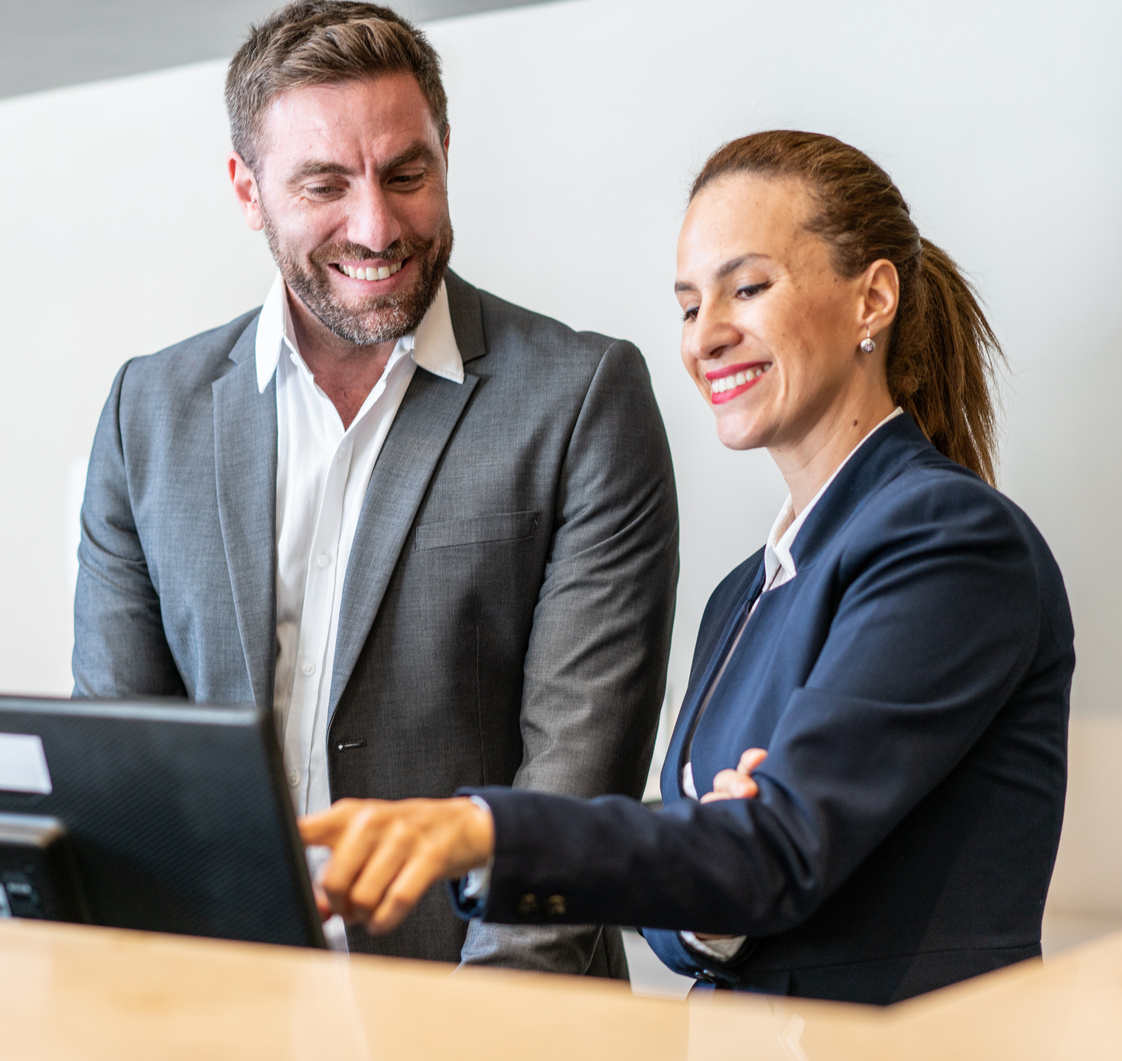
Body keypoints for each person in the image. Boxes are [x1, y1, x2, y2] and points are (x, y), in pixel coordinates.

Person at [300, 130, 1074, 1005]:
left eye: (747, 287)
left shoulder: (950, 541)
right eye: (686, 305)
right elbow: (685, 922)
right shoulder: (737, 595)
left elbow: (773, 854)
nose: (706, 335)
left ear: (873, 299)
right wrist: (720, 874)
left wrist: (486, 831)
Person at [71, 0, 678, 977]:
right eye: (323, 184)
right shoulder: (150, 411)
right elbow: (121, 762)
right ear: (247, 189)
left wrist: (482, 1029)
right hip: (222, 1007)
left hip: (490, 1012)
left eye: (408, 174)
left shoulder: (579, 399)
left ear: (446, 154)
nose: (376, 224)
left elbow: (571, 780)